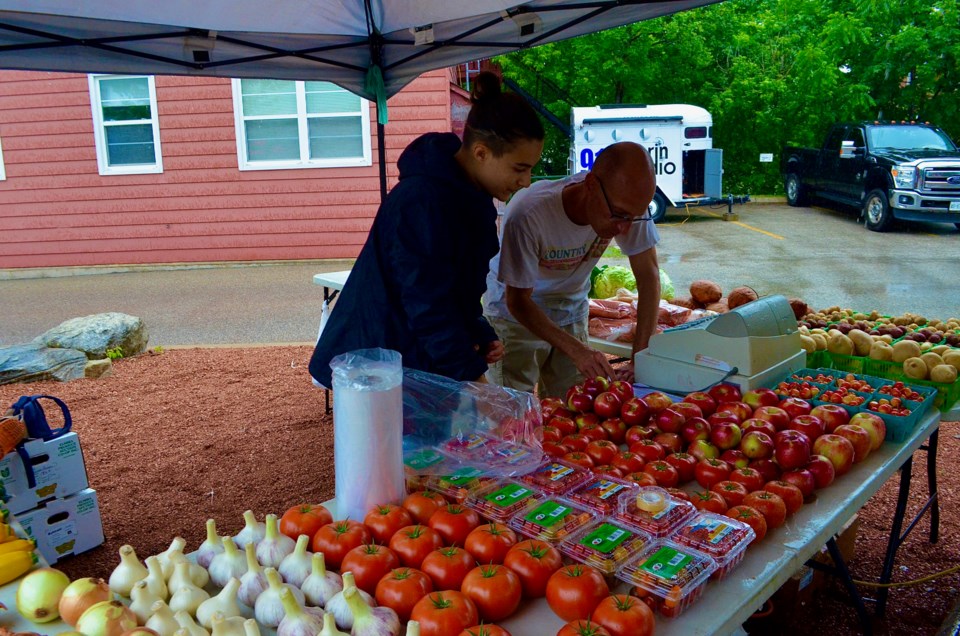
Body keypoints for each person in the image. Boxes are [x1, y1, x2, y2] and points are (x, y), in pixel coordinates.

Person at [309, 72, 545, 388]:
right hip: (376, 367)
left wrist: (478, 331)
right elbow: (427, 303)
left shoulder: (475, 201)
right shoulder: (419, 201)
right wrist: (473, 378)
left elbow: (456, 290)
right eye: (520, 168)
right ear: (481, 153)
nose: (526, 182)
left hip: (418, 362)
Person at [482, 141, 660, 397]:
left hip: (570, 310)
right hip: (513, 316)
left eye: (635, 216)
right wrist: (577, 351)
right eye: (619, 215)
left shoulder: (628, 205)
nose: (625, 228)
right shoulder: (528, 213)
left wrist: (639, 358)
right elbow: (517, 301)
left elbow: (648, 277)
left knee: (576, 406)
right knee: (511, 408)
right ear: (590, 186)